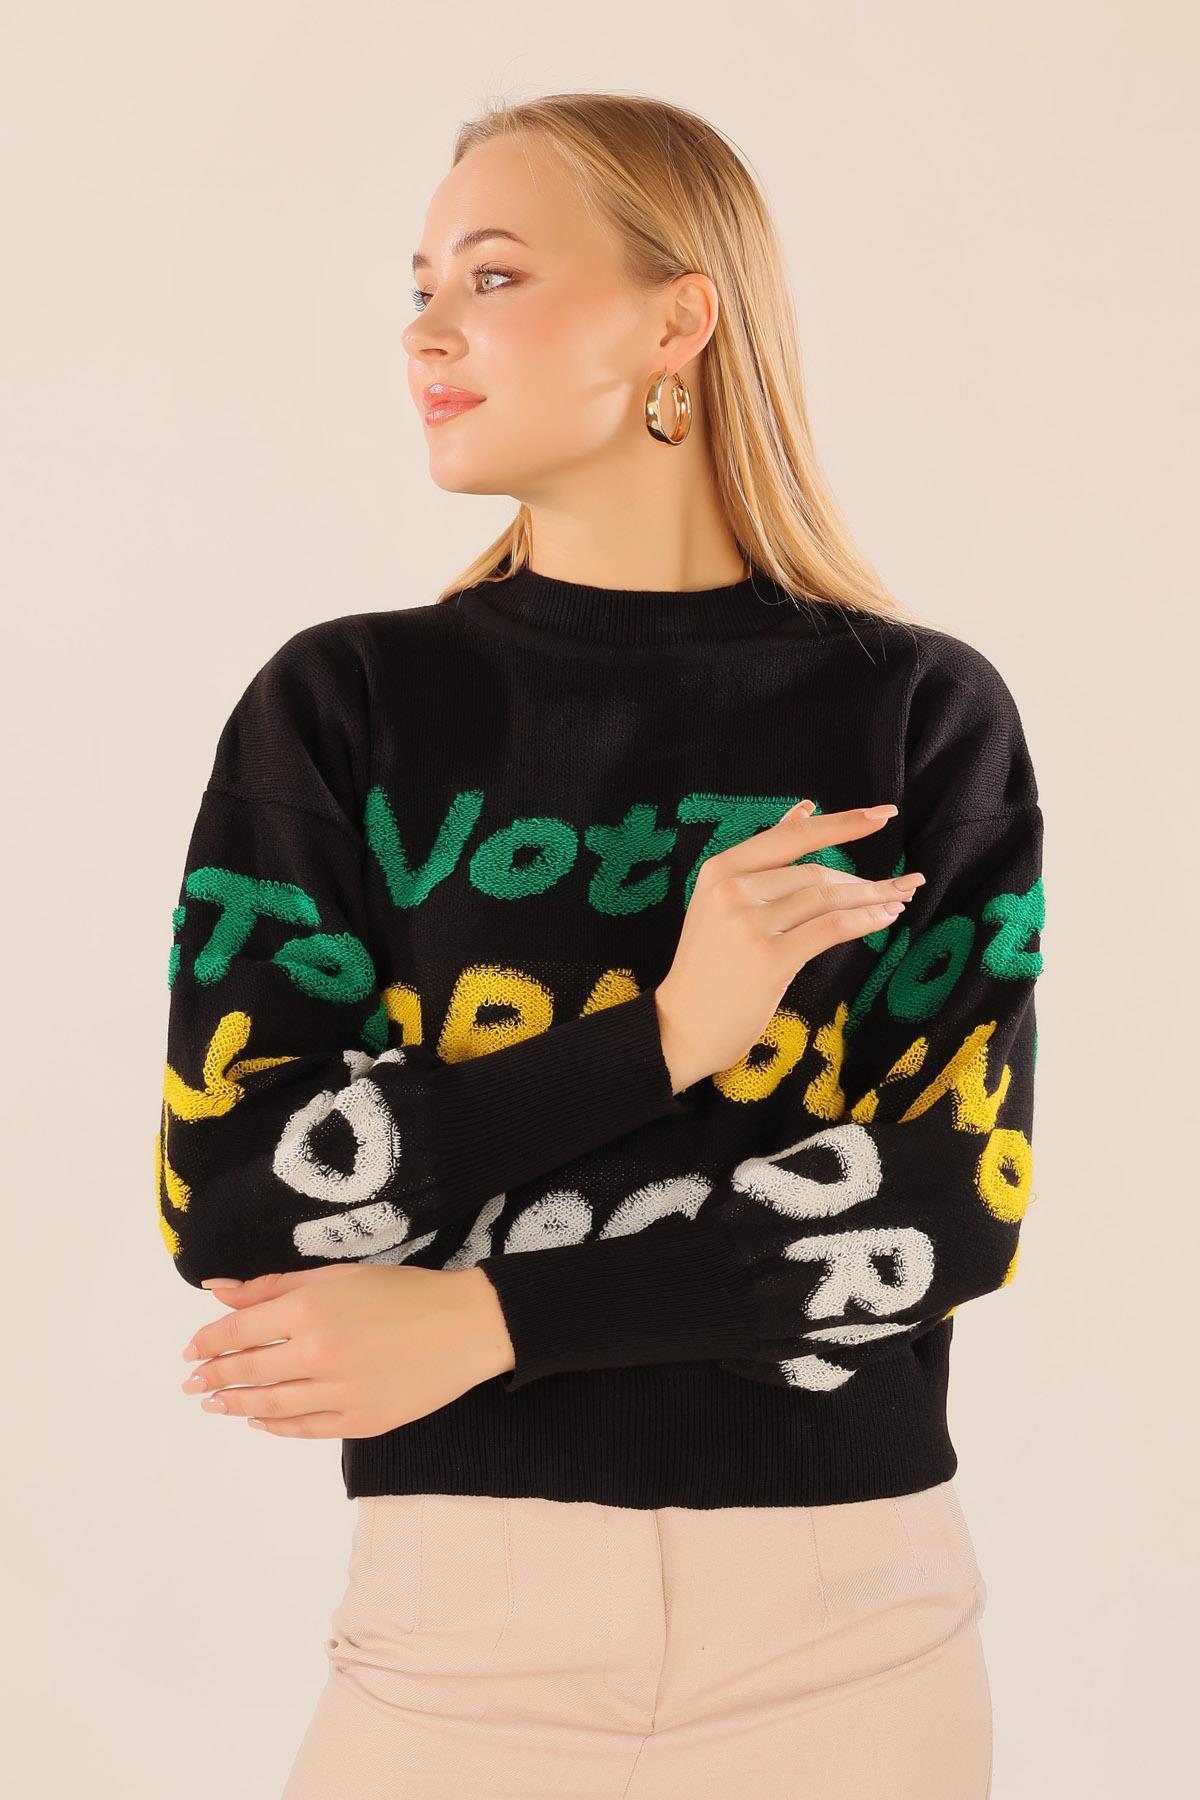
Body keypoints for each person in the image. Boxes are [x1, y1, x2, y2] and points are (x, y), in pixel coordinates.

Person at [157, 91, 1045, 1799]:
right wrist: (667, 1037)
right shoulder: (346, 704)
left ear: (676, 320)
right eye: (419, 285)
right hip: (454, 1630)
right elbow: (240, 1188)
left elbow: (954, 1196)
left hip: (849, 1628)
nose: (426, 331)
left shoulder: (916, 714)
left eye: (491, 276)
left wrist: (491, 1318)